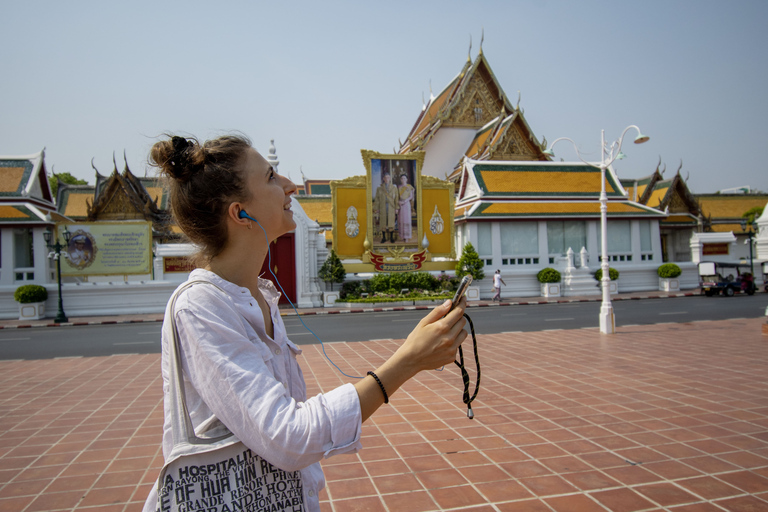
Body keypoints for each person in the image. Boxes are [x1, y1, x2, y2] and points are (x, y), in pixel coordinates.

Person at [143, 134, 468, 512]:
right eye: (269, 178)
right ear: (240, 213)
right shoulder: (200, 307)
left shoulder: (257, 296)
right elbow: (288, 436)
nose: (289, 186)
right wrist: (406, 361)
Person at [373, 171, 399, 243]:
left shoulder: (394, 188)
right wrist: (377, 208)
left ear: (390, 178)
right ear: (383, 179)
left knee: (391, 222)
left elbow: (396, 198)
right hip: (383, 207)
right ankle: (384, 238)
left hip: (391, 207)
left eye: (388, 177)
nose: (387, 179)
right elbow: (377, 198)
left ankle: (391, 237)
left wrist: (397, 208)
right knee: (383, 222)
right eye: (385, 177)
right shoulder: (380, 188)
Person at [397, 173, 415, 243]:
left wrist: (404, 201)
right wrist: (399, 202)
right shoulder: (399, 187)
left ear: (406, 179)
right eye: (402, 178)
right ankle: (402, 236)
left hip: (406, 204)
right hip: (400, 205)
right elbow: (397, 196)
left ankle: (407, 237)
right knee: (401, 220)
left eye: (404, 178)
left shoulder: (409, 187)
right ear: (400, 180)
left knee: (406, 220)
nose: (403, 180)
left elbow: (411, 196)